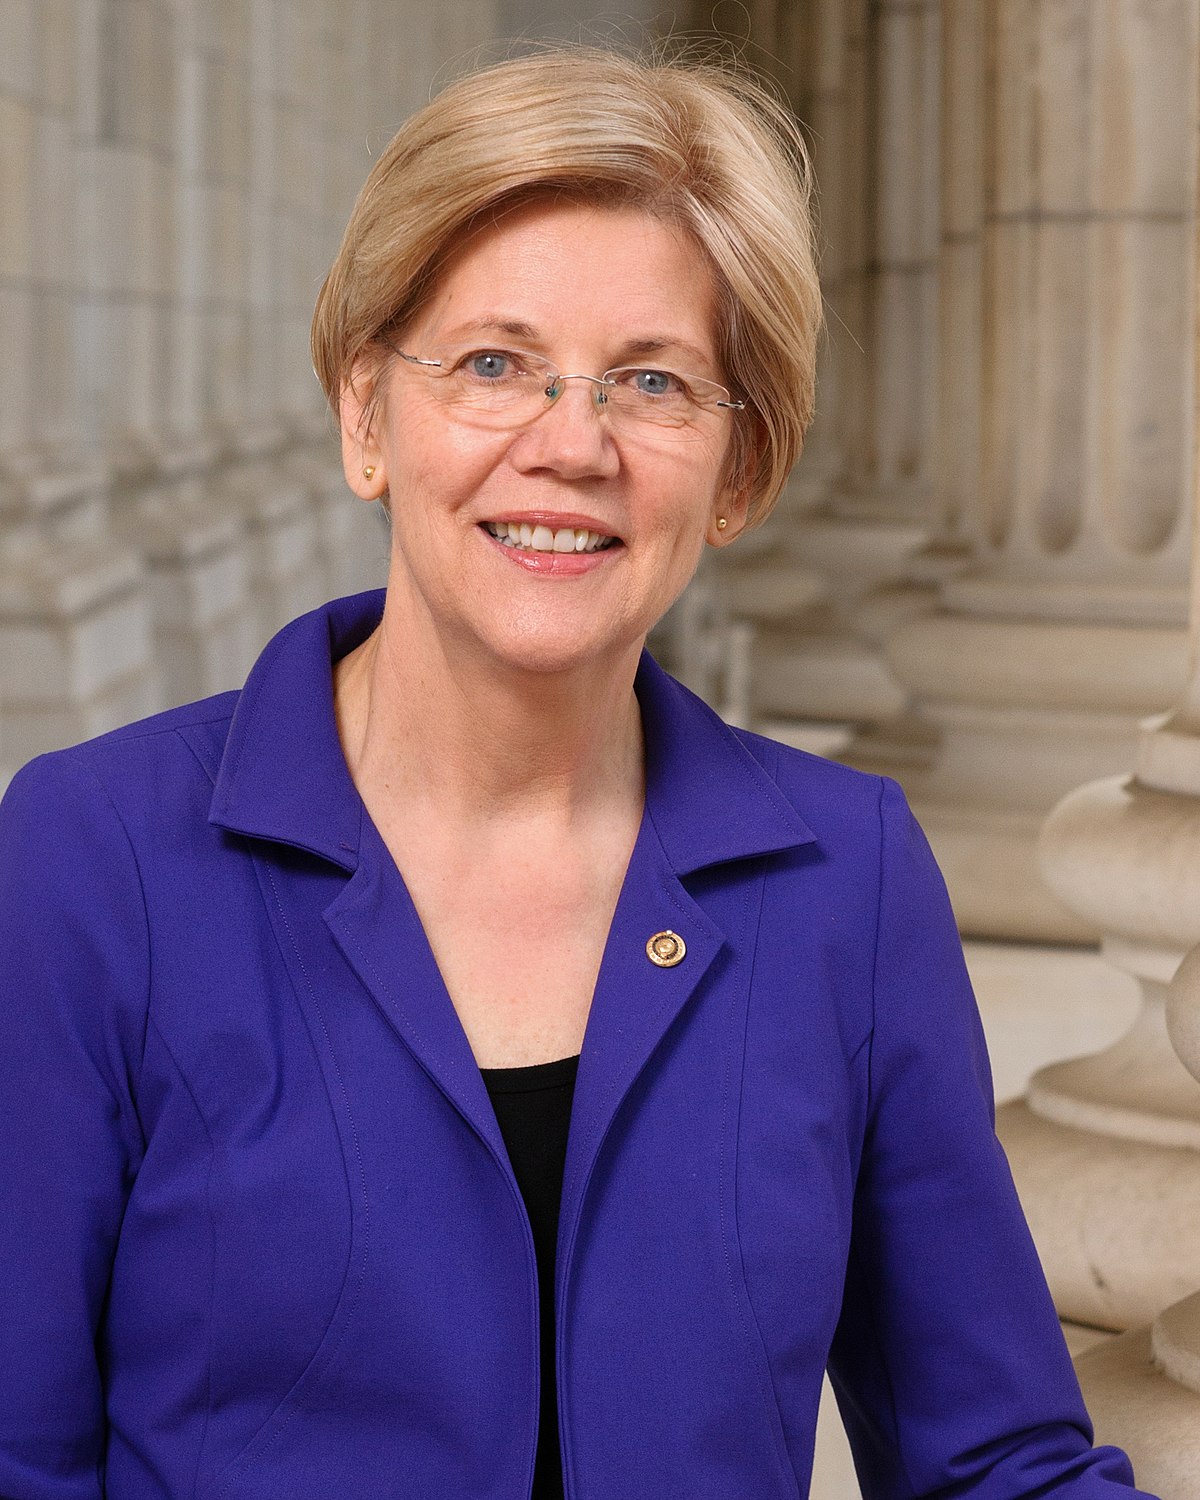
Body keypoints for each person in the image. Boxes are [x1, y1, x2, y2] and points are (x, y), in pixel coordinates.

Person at [0, 45, 1154, 1500]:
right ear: (369, 417)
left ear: (738, 472)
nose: (571, 444)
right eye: (494, 363)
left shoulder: (847, 879)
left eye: (654, 383)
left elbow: (993, 1462)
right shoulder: (92, 858)